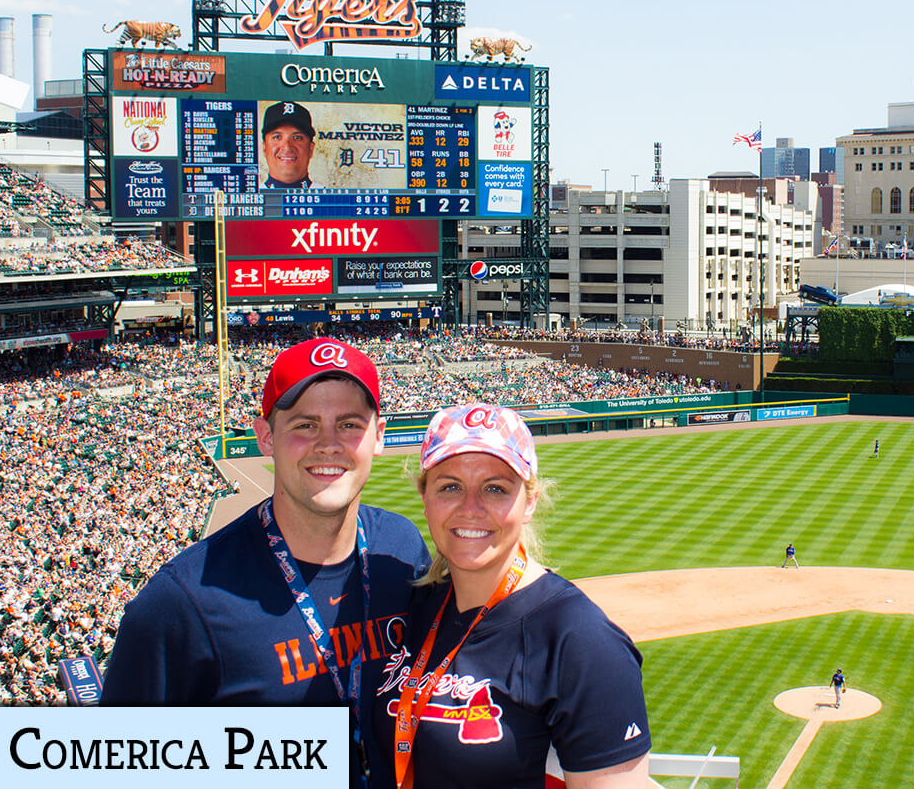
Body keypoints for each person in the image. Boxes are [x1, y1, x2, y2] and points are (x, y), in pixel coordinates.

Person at [101, 338, 430, 789]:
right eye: (305, 425)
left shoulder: (403, 549)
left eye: (350, 423)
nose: (329, 444)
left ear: (379, 435)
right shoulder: (182, 601)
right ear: (265, 436)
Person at [371, 402, 651, 789]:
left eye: (495, 488)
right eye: (450, 486)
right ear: (425, 497)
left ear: (530, 502)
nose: (470, 508)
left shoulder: (580, 639)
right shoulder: (416, 608)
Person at [261, 101, 325, 190]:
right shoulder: (249, 200)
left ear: (311, 149)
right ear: (264, 148)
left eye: (297, 137)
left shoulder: (330, 199)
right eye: (277, 137)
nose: (287, 147)